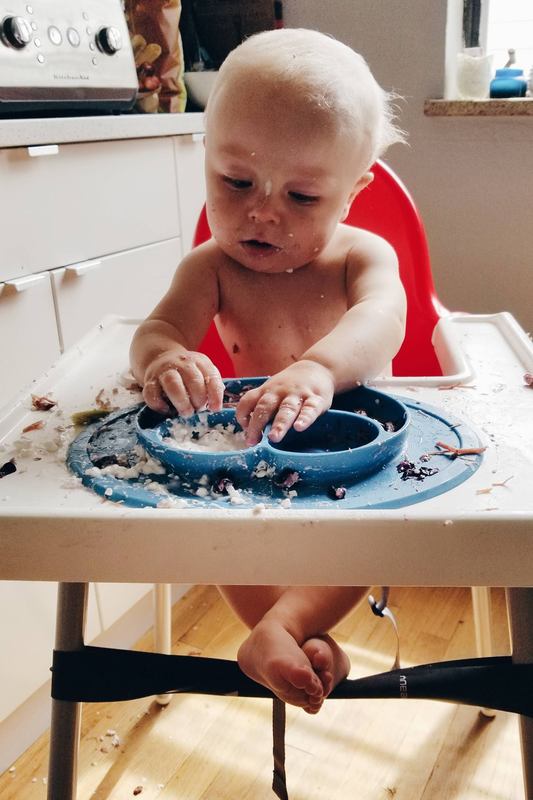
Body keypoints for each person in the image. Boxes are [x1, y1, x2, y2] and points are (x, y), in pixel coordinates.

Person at [130, 28, 407, 713]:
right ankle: (291, 637)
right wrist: (165, 357)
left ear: (353, 190)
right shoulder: (211, 267)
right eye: (236, 181)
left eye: (302, 196)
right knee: (205, 514)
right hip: (253, 452)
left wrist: (319, 368)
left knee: (378, 525)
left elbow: (385, 317)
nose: (261, 211)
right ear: (206, 158)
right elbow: (158, 328)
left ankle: (281, 631)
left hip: (352, 451)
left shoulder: (359, 257)